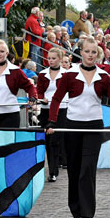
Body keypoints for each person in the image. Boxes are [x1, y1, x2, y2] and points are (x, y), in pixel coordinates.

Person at [45, 37, 110, 218]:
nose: (90, 55)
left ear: (98, 54)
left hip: (94, 126)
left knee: (87, 168)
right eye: (87, 51)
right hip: (72, 126)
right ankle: (75, 209)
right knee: (74, 169)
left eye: (94, 52)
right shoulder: (69, 75)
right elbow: (56, 99)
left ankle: (87, 212)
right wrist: (52, 121)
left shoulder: (103, 77)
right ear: (81, 52)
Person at [37, 48, 68, 182]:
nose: (51, 61)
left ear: (60, 59)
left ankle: (55, 169)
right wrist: (41, 98)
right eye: (49, 58)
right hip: (46, 109)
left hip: (61, 109)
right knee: (48, 141)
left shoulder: (66, 74)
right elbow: (38, 91)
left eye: (54, 58)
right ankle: (52, 170)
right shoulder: (43, 74)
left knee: (57, 139)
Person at [25, 7, 44, 72]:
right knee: (35, 59)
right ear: (36, 13)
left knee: (37, 59)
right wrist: (42, 30)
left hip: (36, 42)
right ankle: (35, 72)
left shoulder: (33, 19)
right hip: (34, 42)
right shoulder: (32, 20)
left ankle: (38, 72)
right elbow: (35, 31)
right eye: (38, 12)